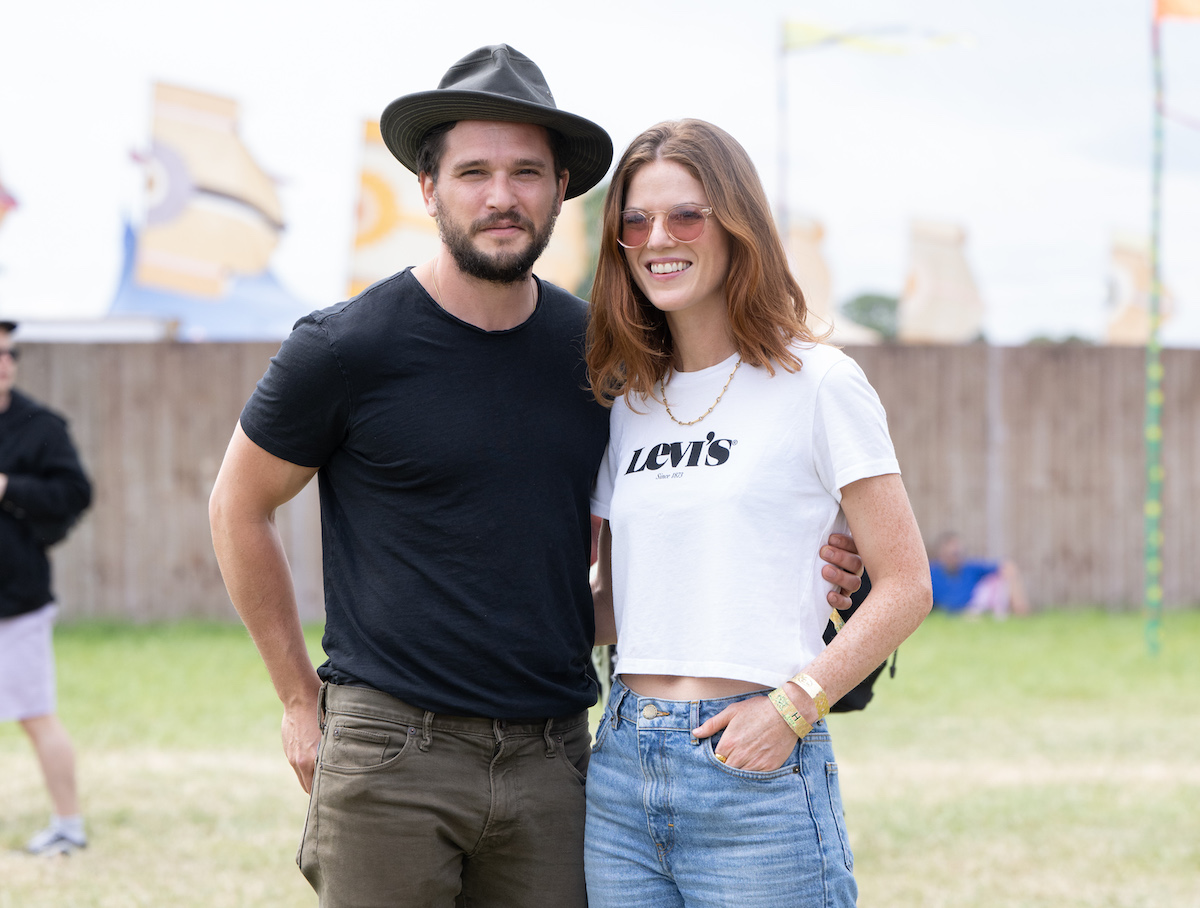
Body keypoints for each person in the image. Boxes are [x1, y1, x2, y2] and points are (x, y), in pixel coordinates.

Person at [208, 47, 865, 908]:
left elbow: (681, 512)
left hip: (558, 755)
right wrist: (300, 703)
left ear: (561, 190)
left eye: (526, 172)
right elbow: (237, 507)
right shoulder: (344, 347)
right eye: (473, 171)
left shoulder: (606, 356)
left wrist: (812, 572)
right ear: (428, 188)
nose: (500, 195)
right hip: (392, 750)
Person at [583, 119, 933, 907]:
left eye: (686, 215)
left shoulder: (819, 382)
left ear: (736, 223)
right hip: (621, 764)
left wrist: (793, 707)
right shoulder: (629, 402)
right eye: (634, 221)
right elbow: (617, 610)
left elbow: (907, 584)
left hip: (754, 764)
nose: (656, 238)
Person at [0, 320, 92, 856]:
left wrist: (9, 487)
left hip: (17, 600)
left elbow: (75, 493)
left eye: (10, 353)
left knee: (35, 714)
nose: (5, 362)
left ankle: (68, 826)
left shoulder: (41, 427)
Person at [928, 530, 1030, 617]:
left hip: (974, 609)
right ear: (941, 553)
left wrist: (1019, 601)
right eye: (951, 554)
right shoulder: (932, 573)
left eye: (957, 554)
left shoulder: (970, 568)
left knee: (1001, 579)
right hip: (952, 614)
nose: (954, 558)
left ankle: (1021, 616)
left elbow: (1008, 566)